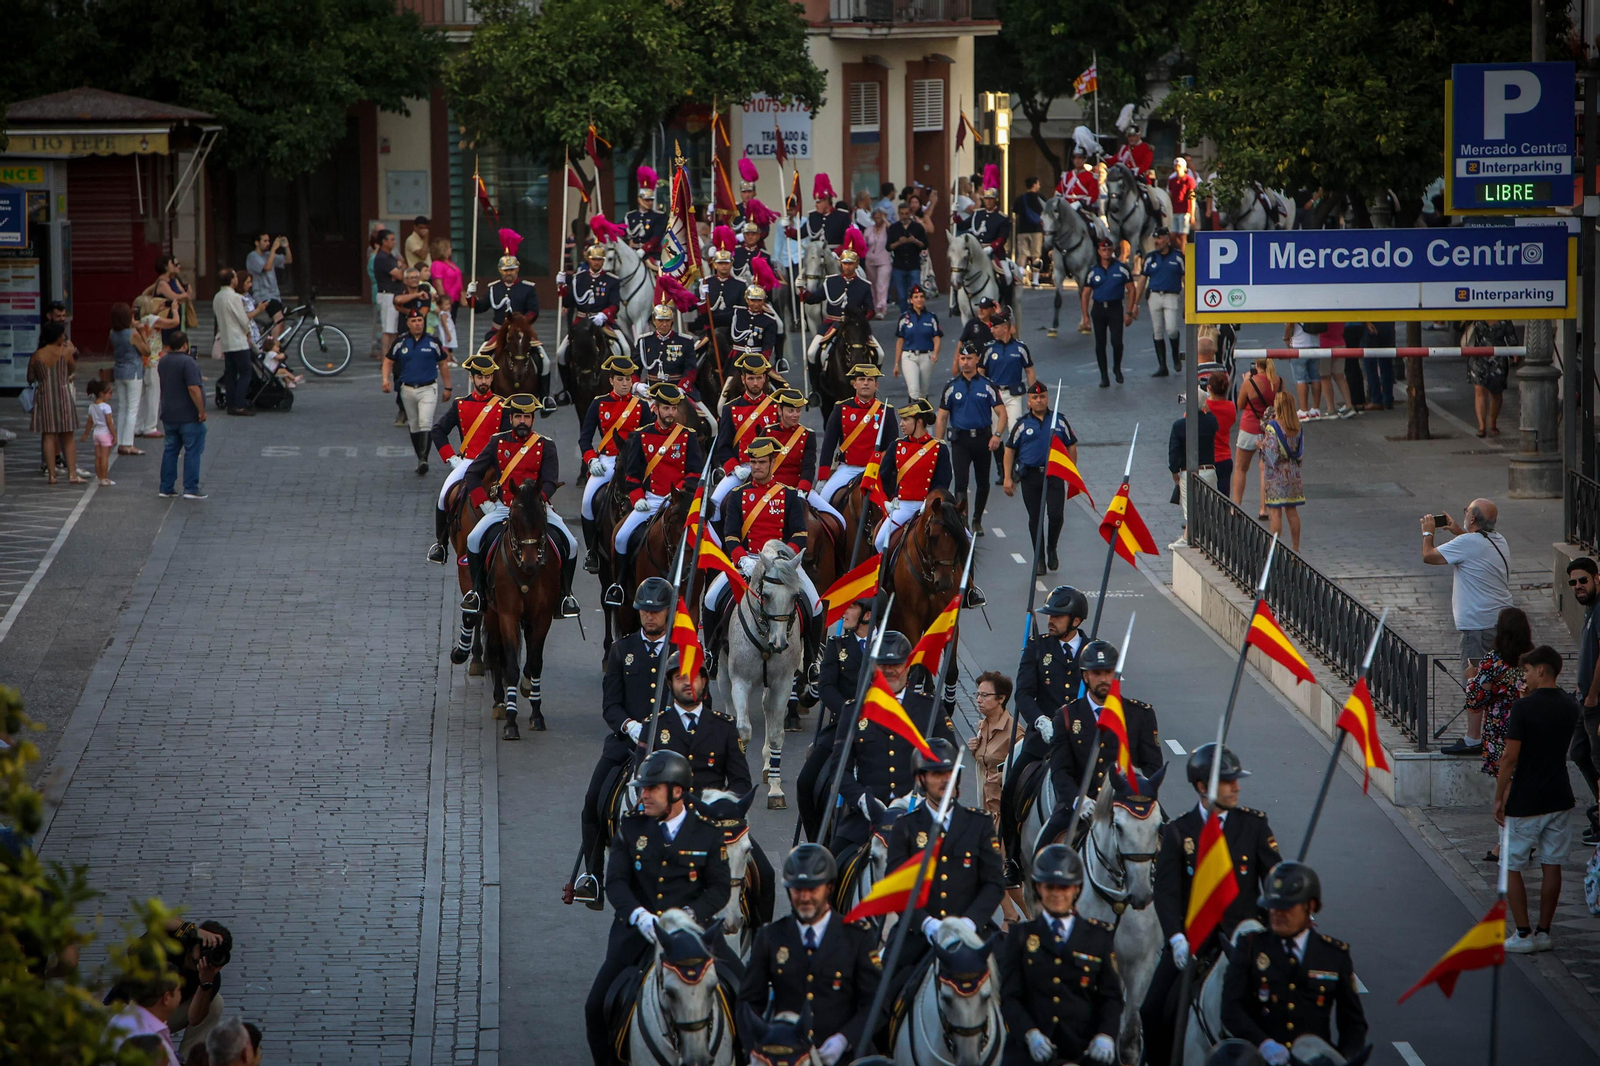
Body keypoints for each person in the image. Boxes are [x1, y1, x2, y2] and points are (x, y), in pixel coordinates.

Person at [585, 749, 731, 1066]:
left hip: (696, 936)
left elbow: (719, 888)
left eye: (652, 788)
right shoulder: (632, 827)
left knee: (746, 993)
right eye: (642, 788)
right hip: (639, 937)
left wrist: (688, 918)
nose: (643, 795)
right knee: (595, 1008)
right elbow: (617, 882)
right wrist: (640, 917)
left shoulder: (707, 831)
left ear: (677, 791)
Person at [1144, 745, 1281, 1066]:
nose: (1237, 788)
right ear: (1203, 787)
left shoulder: (1254, 825)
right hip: (1195, 943)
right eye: (1228, 781)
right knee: (1151, 1010)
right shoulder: (1179, 832)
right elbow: (1166, 894)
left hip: (1245, 942)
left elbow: (1274, 878)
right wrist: (1176, 939)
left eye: (1236, 780)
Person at [572, 575, 678, 905]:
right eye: (645, 610)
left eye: (657, 611)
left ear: (668, 613)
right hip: (626, 745)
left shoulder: (681, 652)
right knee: (593, 801)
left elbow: (699, 703)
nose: (650, 616)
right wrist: (630, 727)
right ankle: (592, 876)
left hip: (671, 746)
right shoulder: (621, 650)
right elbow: (611, 706)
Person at [736, 844, 882, 1066]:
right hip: (787, 1055)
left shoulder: (857, 937)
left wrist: (845, 1039)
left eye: (812, 889)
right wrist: (757, 1048)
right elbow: (748, 1003)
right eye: (797, 890)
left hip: (843, 1056)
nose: (804, 898)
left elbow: (876, 1002)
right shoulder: (771, 936)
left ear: (829, 888)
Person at [882, 737, 1006, 982]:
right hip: (920, 935)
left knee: (1013, 983)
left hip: (973, 931)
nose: (945, 779)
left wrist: (969, 924)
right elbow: (897, 887)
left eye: (950, 772)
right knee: (883, 990)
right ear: (920, 779)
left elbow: (994, 884)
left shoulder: (979, 824)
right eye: (937, 774)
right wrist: (927, 924)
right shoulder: (905, 827)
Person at [1221, 861, 1367, 1063]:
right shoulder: (1250, 946)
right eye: (1272, 906)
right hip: (1260, 1059)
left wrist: (1341, 1058)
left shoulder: (1334, 955)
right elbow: (1230, 1008)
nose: (1277, 913)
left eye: (1287, 907)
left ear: (1311, 906)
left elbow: (1353, 1023)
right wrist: (1264, 1044)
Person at [459, 393, 582, 632]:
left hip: (538, 509)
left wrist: (538, 503)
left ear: (533, 419)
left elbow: (549, 481)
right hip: (505, 506)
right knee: (474, 539)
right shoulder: (497, 442)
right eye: (518, 416)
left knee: (571, 543)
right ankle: (477, 592)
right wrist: (484, 504)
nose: (522, 421)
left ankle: (566, 595)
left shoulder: (546, 445)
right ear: (511, 418)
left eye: (527, 416)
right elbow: (472, 474)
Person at [1000, 846, 1122, 1066]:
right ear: (1038, 888)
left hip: (1086, 1051)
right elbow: (1010, 997)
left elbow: (1111, 998)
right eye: (1050, 886)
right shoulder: (1020, 937)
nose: (1057, 894)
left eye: (1065, 887)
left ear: (1076, 889)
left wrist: (1106, 1035)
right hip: (1033, 1052)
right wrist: (1030, 1034)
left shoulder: (1098, 937)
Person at [1496, 645, 1580, 953]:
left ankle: (1522, 933)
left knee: (1512, 864)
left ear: (1541, 669)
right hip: (1559, 794)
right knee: (1552, 864)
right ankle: (1544, 932)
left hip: (1526, 799)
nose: (1525, 676)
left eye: (1528, 671)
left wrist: (1498, 795)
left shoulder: (1523, 709)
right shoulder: (1570, 705)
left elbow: (1510, 756)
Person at [1003, 585, 1089, 882]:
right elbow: (1024, 693)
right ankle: (1013, 859)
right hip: (1043, 741)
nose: (1050, 620)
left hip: (1081, 743)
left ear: (1075, 621)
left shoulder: (1095, 653)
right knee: (1012, 787)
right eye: (1048, 614)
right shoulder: (1037, 647)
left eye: (1057, 615)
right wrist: (1040, 721)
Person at [827, 631, 940, 854]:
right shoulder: (854, 711)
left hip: (919, 814)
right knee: (833, 868)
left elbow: (949, 761)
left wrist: (920, 798)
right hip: (868, 818)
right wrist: (862, 800)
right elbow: (840, 770)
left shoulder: (929, 709)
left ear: (908, 666)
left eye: (896, 664)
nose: (889, 670)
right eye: (883, 664)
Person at [1043, 641, 1162, 843]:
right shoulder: (1066, 716)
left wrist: (1133, 795)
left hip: (1130, 804)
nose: (1104, 679)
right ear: (1085, 676)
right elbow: (1060, 770)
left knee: (1168, 841)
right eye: (1097, 673)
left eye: (1109, 672)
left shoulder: (1140, 715)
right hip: (1082, 806)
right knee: (1044, 846)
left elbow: (1153, 766)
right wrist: (1077, 800)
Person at [1424, 498, 1514, 755]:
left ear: (1473, 519)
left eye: (1466, 512)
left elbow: (1428, 556)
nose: (1464, 514)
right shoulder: (1499, 541)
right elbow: (1475, 546)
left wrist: (1428, 531)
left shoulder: (1467, 543)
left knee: (1474, 678)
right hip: (1501, 622)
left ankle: (1474, 738)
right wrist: (1456, 531)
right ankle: (1496, 732)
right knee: (1497, 678)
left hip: (1478, 627)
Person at [610, 383, 703, 602]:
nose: (671, 413)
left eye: (674, 408)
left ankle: (705, 591)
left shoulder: (687, 436)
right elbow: (632, 476)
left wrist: (679, 491)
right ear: (656, 409)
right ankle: (620, 586)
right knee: (621, 537)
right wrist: (638, 498)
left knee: (713, 542)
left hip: (679, 500)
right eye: (666, 408)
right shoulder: (641, 436)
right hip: (651, 500)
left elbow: (694, 472)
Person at [796, 599, 874, 842]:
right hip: (842, 724)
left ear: (868, 615)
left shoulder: (890, 645)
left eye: (851, 608)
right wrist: (849, 712)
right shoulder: (837, 643)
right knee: (805, 783)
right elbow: (827, 687)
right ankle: (817, 843)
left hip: (880, 727)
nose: (844, 612)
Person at [426, 351, 507, 564]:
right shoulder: (460, 405)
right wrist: (451, 457)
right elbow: (438, 430)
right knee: (444, 496)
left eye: (487, 377)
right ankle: (441, 544)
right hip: (469, 461)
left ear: (492, 378)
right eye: (479, 377)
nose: (483, 381)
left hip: (496, 463)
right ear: (472, 378)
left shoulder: (503, 406)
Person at [1468, 607, 1534, 859]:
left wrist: (1472, 678)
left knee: (1505, 787)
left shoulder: (1493, 662)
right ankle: (1521, 839)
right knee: (1523, 786)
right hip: (1528, 728)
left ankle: (1507, 844)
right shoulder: (1533, 659)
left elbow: (1476, 700)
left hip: (1500, 732)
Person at [577, 355, 646, 568]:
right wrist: (590, 460)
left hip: (634, 462)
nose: (625, 384)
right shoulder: (599, 403)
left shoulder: (641, 406)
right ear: (611, 380)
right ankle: (592, 551)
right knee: (587, 503)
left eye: (628, 379)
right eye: (620, 379)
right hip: (607, 461)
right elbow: (585, 438)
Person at [655, 650, 753, 794]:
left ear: (704, 681)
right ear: (670, 683)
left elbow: (741, 783)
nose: (687, 683)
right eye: (680, 677)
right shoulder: (654, 727)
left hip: (711, 812)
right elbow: (645, 784)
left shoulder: (725, 727)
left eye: (694, 676)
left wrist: (723, 808)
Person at [1003, 382, 1076, 573]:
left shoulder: (1059, 421)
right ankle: (1039, 558)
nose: (1039, 400)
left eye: (1042, 396)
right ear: (1029, 400)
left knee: (1056, 515)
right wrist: (1007, 477)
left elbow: (1071, 445)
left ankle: (1052, 548)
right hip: (1031, 477)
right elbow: (1010, 450)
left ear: (1048, 398)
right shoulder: (1022, 424)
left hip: (1054, 475)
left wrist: (1071, 470)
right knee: (1035, 518)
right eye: (1035, 397)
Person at [935, 343, 1006, 536]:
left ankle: (977, 520)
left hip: (983, 439)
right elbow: (941, 417)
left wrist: (997, 435)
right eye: (962, 359)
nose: (965, 363)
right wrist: (937, 443)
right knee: (961, 482)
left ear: (976, 360)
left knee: (983, 482)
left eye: (969, 359)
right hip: (961, 441)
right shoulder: (951, 387)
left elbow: (1002, 413)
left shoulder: (987, 385)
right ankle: (963, 519)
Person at [812, 363, 895, 515]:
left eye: (870, 380)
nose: (865, 383)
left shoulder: (886, 411)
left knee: (893, 510)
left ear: (876, 385)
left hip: (875, 471)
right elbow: (828, 445)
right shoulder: (840, 408)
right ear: (854, 383)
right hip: (848, 469)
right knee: (822, 504)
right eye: (861, 379)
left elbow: (891, 447)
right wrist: (823, 478)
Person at [874, 398, 954, 552]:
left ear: (918, 422)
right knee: (879, 542)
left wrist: (931, 502)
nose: (901, 424)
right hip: (902, 506)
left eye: (905, 419)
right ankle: (884, 576)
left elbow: (943, 481)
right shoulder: (896, 446)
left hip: (929, 507)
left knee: (964, 538)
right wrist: (886, 500)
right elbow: (882, 477)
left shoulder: (939, 447)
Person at [382, 310, 451, 475]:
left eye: (420, 320)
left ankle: (423, 458)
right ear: (408, 323)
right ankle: (419, 455)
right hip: (407, 388)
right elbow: (388, 361)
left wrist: (448, 386)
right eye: (413, 321)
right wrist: (385, 379)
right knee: (414, 425)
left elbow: (443, 364)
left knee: (425, 422)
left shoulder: (433, 342)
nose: (417, 323)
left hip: (428, 388)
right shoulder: (401, 342)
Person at [1566, 557, 1600, 844]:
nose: (1578, 586)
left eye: (1583, 580)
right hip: (1584, 700)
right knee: (1578, 752)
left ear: (1596, 578)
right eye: (1573, 583)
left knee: (1598, 760)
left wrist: (1592, 695)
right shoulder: (1590, 610)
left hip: (1594, 702)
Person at [28, 321, 83, 485]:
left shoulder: (37, 355)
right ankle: (72, 474)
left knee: (48, 436)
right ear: (57, 336)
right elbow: (71, 369)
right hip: (63, 395)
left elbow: (30, 378)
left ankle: (52, 475)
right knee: (68, 436)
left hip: (44, 397)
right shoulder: (65, 352)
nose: (64, 337)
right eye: (62, 334)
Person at [156, 330, 207, 499]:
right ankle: (191, 488)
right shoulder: (188, 362)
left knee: (170, 450)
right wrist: (201, 410)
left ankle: (166, 486)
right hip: (188, 415)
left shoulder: (163, 361)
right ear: (185, 345)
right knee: (192, 451)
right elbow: (193, 388)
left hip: (169, 414)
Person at [1167, 390, 1219, 550]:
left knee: (1190, 506)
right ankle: (1208, 539)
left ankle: (1188, 537)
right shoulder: (1211, 422)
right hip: (1209, 470)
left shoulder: (1179, 426)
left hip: (1188, 470)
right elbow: (1213, 421)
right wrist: (1205, 406)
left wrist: (1174, 472)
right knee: (1208, 506)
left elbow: (1173, 452)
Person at [1082, 239, 1134, 387]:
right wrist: (1085, 315)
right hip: (1098, 309)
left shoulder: (1121, 268)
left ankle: (1117, 368)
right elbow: (1086, 293)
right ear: (1098, 252)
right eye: (1103, 250)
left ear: (1112, 251)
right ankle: (1104, 376)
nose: (1106, 252)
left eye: (1109, 250)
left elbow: (1131, 289)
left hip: (1115, 308)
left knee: (1117, 342)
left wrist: (1129, 311)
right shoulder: (1093, 271)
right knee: (1100, 343)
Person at [1231, 358, 1279, 519]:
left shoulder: (1250, 383)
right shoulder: (1279, 382)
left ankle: (1236, 506)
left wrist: (1246, 381)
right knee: (1265, 469)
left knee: (1240, 468)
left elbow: (1240, 404)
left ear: (1256, 366)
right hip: (1270, 430)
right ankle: (1263, 509)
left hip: (1249, 428)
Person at [967, 671, 1015, 824]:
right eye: (978, 695)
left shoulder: (1015, 732)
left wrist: (1006, 775)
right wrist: (975, 750)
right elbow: (985, 761)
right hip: (984, 808)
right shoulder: (983, 726)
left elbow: (1025, 769)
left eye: (985, 696)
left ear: (1001, 698)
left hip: (1003, 813)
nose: (979, 700)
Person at [1137, 227, 1185, 377]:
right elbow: (1142, 280)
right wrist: (1134, 303)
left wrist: (1188, 303)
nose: (1156, 242)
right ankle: (1162, 365)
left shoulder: (1178, 257)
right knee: (1157, 330)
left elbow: (1186, 279)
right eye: (1155, 239)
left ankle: (1175, 356)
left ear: (1167, 239)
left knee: (1171, 328)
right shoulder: (1150, 258)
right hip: (1154, 295)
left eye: (1159, 238)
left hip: (1171, 295)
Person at [1259, 392, 1304, 551]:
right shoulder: (1297, 426)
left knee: (1275, 512)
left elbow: (1271, 457)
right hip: (1293, 474)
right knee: (1292, 512)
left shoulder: (1273, 426)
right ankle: (1296, 547)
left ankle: (1274, 547)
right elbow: (1300, 454)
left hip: (1276, 475)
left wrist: (1261, 447)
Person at [981, 312, 1036, 439]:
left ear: (1005, 328)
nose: (991, 330)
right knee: (996, 431)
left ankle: (1014, 458)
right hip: (995, 396)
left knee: (1015, 429)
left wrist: (1032, 395)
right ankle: (1000, 459)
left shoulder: (1020, 348)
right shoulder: (989, 348)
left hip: (1013, 395)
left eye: (995, 327)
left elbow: (1029, 370)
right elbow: (980, 371)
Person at [108, 972, 183, 1065]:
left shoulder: (128, 1017)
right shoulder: (144, 1038)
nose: (181, 994)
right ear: (166, 998)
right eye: (179, 990)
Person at [211, 269, 254, 417]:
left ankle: (231, 403)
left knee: (230, 373)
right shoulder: (235, 297)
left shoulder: (217, 297)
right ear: (232, 280)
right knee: (246, 371)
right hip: (238, 339)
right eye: (235, 276)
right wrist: (248, 332)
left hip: (226, 339)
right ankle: (239, 404)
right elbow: (243, 319)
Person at [1465, 319, 1517, 437]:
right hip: (1478, 357)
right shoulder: (1476, 314)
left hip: (1498, 358)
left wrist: (1514, 353)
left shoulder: (1505, 318)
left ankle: (1493, 423)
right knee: (1479, 389)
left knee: (1496, 391)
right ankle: (1481, 427)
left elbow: (1511, 338)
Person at [892, 284, 943, 403]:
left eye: (921, 296)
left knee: (923, 392)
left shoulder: (931, 318)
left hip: (927, 356)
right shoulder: (904, 318)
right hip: (909, 356)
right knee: (913, 389)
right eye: (915, 297)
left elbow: (937, 338)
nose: (919, 299)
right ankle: (912, 418)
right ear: (911, 300)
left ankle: (922, 418)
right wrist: (896, 363)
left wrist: (935, 353)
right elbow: (900, 341)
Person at [108, 302, 145, 456]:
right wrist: (142, 331)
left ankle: (120, 442)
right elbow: (146, 350)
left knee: (123, 406)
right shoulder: (133, 334)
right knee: (132, 408)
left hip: (119, 370)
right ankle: (128, 444)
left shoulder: (112, 333)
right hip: (133, 371)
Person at [244, 232, 290, 342]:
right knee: (278, 318)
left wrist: (286, 247)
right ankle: (274, 348)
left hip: (275, 294)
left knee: (281, 321)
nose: (268, 243)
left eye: (269, 241)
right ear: (256, 243)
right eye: (265, 241)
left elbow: (288, 260)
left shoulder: (268, 255)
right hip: (263, 295)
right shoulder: (252, 256)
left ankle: (276, 344)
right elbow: (267, 267)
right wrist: (274, 250)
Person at [372, 229, 405, 358]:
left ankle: (392, 357)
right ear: (383, 241)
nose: (394, 242)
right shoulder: (382, 257)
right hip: (387, 295)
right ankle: (386, 359)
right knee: (388, 329)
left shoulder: (391, 256)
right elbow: (399, 274)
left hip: (395, 293)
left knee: (394, 329)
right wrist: (400, 268)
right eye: (391, 239)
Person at [1283, 322, 1326, 420]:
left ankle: (1304, 410)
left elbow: (1290, 324)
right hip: (1315, 344)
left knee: (1300, 379)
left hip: (1299, 344)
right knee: (1315, 377)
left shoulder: (1294, 308)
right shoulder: (1313, 308)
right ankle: (1316, 409)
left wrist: (1286, 338)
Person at [1206, 371, 1236, 492]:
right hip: (1224, 457)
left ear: (1209, 388)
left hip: (1207, 459)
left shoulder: (1204, 406)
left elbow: (1187, 418)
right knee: (1224, 496)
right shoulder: (1230, 407)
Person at [154, 255, 193, 349]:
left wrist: (184, 296)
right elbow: (174, 297)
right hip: (167, 315)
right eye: (173, 263)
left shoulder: (174, 280)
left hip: (177, 313)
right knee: (167, 344)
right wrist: (185, 295)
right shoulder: (162, 283)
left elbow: (183, 297)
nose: (177, 266)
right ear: (165, 266)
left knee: (178, 342)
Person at [82, 379, 114, 486]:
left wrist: (86, 434)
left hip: (96, 433)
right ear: (102, 394)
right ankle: (105, 478)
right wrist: (114, 435)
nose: (111, 395)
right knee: (105, 457)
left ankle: (99, 477)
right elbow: (109, 422)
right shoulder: (106, 407)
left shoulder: (92, 406)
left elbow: (90, 421)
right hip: (105, 433)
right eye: (109, 393)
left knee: (98, 456)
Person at [1015, 176, 1045, 284]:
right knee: (1036, 255)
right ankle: (1035, 280)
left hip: (1022, 230)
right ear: (1034, 184)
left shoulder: (1020, 198)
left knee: (1022, 254)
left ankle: (1019, 276)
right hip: (1036, 230)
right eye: (1038, 183)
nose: (1039, 185)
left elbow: (1015, 212)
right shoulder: (1040, 198)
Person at [1361, 320, 1397, 411]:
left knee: (1370, 364)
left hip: (1372, 324)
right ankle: (1388, 399)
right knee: (1387, 363)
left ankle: (1376, 399)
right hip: (1387, 323)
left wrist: (1366, 322)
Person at [956, 297, 998, 368]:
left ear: (992, 310)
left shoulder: (998, 324)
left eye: (984, 308)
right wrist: (955, 363)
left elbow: (1010, 333)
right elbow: (961, 342)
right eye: (980, 307)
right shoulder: (972, 323)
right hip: (977, 363)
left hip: (994, 361)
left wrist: (1000, 314)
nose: (980, 310)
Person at [1166, 157, 1198, 250]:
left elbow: (1192, 197)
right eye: (1175, 166)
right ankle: (1183, 251)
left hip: (1185, 211)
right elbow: (1170, 196)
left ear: (1184, 167)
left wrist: (1192, 215)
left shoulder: (1189, 180)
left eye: (1179, 166)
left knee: (1183, 235)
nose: (1177, 168)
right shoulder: (1172, 180)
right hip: (1174, 211)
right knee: (1172, 236)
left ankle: (1184, 256)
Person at [864, 208, 891, 315]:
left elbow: (894, 231)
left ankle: (882, 307)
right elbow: (863, 243)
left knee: (881, 284)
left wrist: (885, 220)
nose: (877, 219)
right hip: (870, 260)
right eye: (875, 217)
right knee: (872, 285)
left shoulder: (887, 228)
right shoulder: (869, 229)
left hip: (884, 260)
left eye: (879, 217)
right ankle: (874, 308)